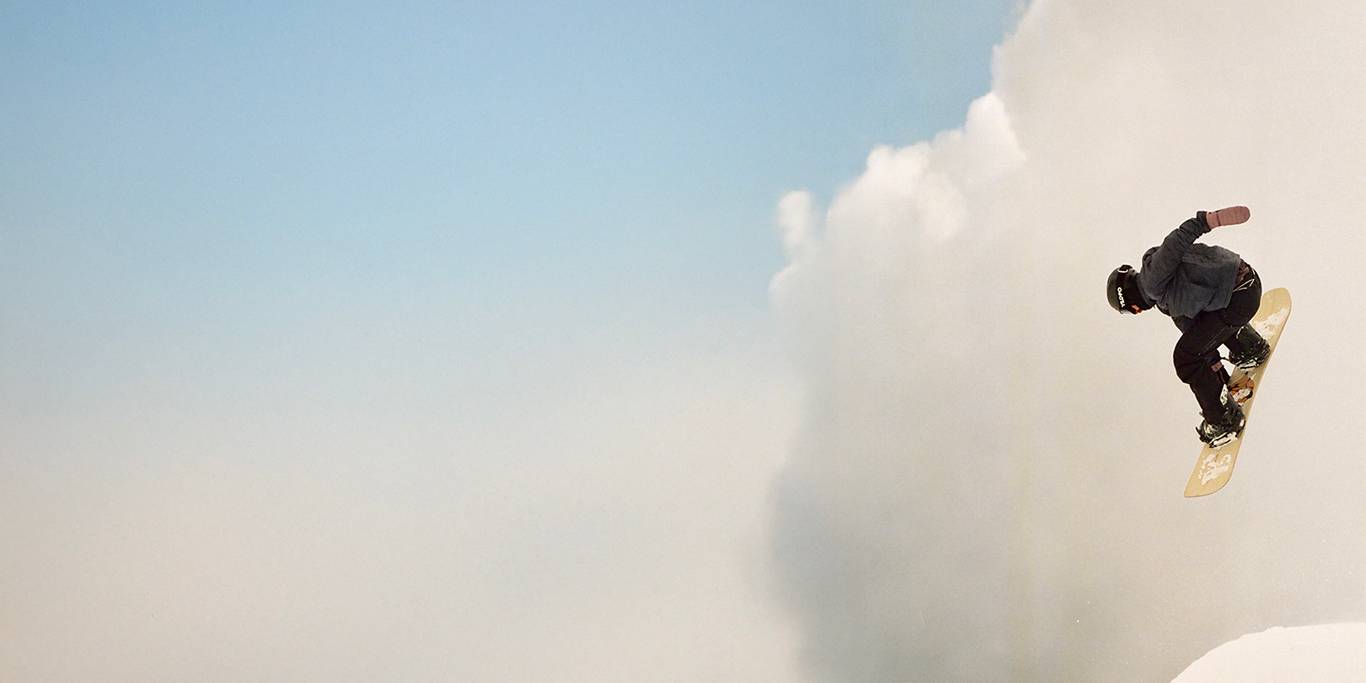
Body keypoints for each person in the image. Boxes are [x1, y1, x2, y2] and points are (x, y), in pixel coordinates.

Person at [1106, 207, 1271, 446]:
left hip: (1240, 295)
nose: (1139, 312)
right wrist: (1218, 375)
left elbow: (1176, 241)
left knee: (1183, 359)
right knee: (1196, 341)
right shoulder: (1167, 299)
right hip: (1244, 289)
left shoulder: (1152, 278)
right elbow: (1198, 335)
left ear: (1130, 299)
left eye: (1133, 310)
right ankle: (1250, 347)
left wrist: (1208, 221)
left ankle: (1223, 420)